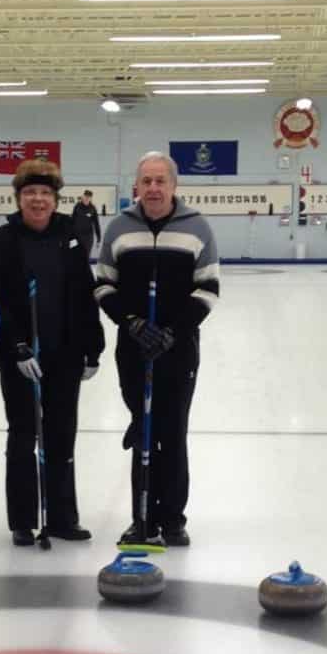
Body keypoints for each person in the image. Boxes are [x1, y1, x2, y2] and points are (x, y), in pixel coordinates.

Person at [95, 151, 219, 547]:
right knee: (143, 429)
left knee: (173, 430)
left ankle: (173, 519)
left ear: (173, 185)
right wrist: (130, 322)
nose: (153, 188)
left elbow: (208, 288)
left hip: (178, 350)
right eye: (146, 181)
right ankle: (142, 519)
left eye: (160, 181)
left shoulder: (197, 228)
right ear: (137, 185)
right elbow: (102, 284)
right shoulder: (119, 228)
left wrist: (172, 331)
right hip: (133, 348)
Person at [0, 159, 105, 546]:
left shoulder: (69, 234)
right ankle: (23, 518)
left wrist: (93, 347)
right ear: (19, 198)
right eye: (30, 193)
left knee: (60, 433)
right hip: (21, 357)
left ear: (55, 199)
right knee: (23, 434)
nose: (38, 200)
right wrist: (15, 346)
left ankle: (61, 517)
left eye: (45, 194)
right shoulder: (3, 240)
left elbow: (85, 295)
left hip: (64, 353)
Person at [71, 189, 101, 261]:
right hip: (77, 235)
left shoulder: (92, 208)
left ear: (90, 198)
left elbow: (96, 223)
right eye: (85, 196)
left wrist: (98, 238)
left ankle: (84, 271)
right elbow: (72, 220)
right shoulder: (77, 206)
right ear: (83, 196)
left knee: (86, 256)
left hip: (88, 236)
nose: (86, 198)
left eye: (88, 197)